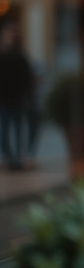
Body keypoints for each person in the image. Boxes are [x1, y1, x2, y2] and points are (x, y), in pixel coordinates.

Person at [0, 19, 35, 171]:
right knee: (7, 132)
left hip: (16, 99)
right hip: (7, 100)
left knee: (15, 131)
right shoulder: (8, 54)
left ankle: (17, 160)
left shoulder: (19, 55)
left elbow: (27, 78)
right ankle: (12, 159)